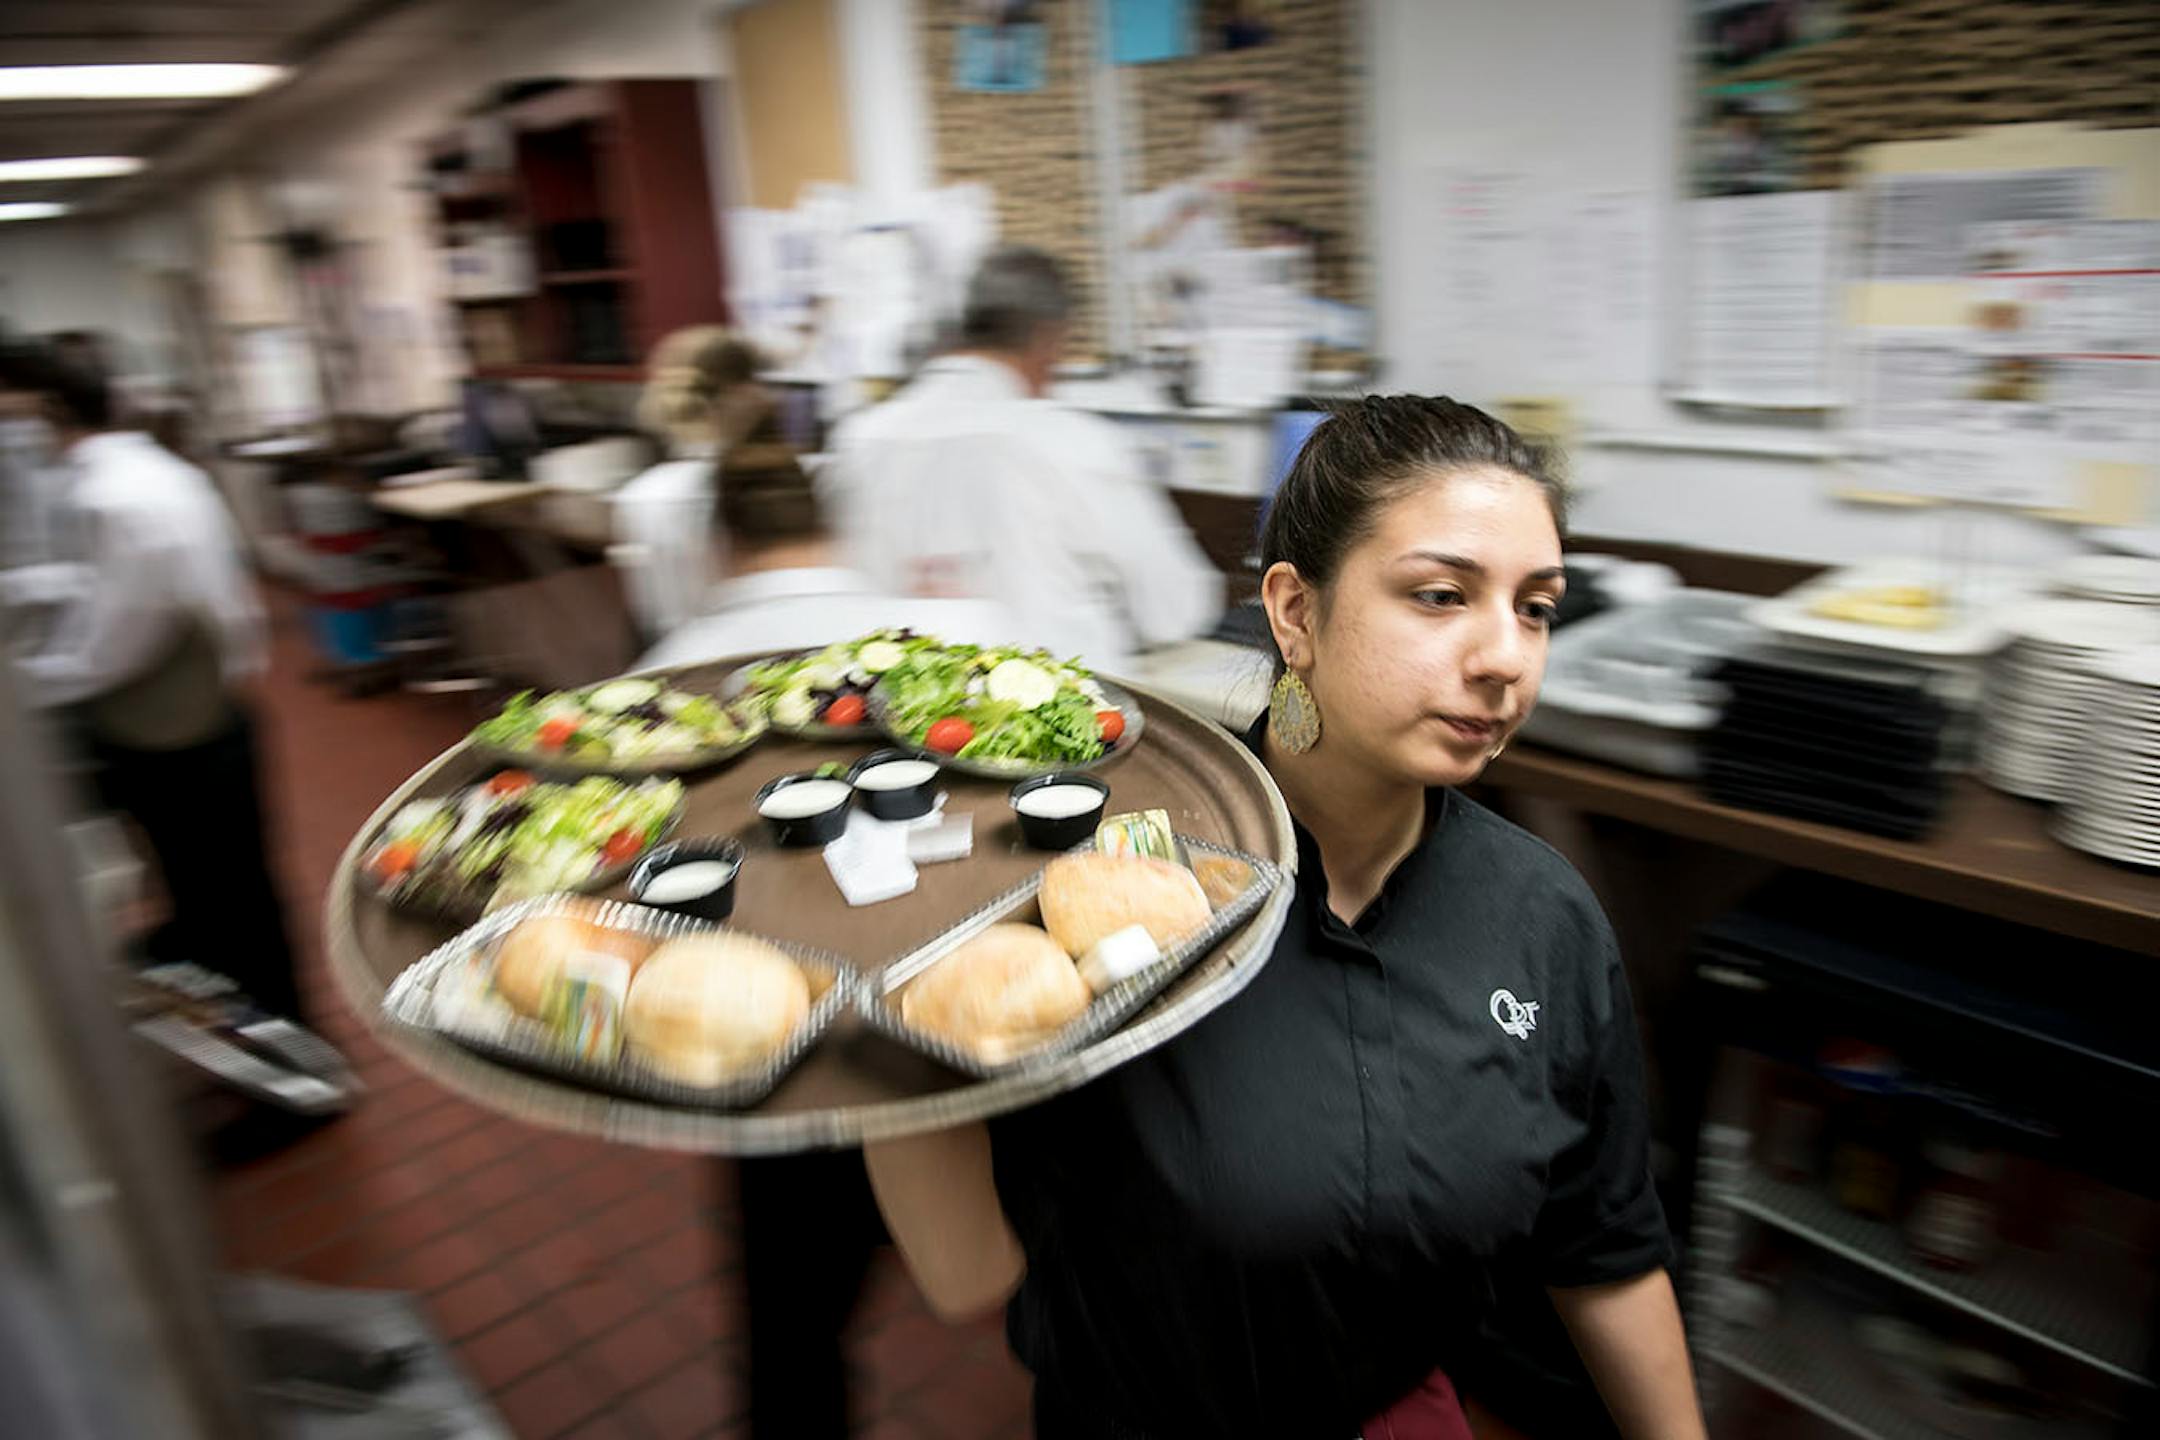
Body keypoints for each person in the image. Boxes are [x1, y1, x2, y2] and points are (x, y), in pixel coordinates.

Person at [864, 396, 1706, 1439]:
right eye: (1442, 595)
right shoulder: (1117, 883)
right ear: (1295, 612)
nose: (1505, 657)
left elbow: (1603, 1248)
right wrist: (885, 999)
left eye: (1534, 607)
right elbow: (965, 1271)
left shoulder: (1546, 919)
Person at [638, 442, 1008, 1440]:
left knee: (794, 1327)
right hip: (953, 1009)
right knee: (1012, 1262)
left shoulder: (664, 678)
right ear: (830, 528)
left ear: (718, 541)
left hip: (772, 1039)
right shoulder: (933, 641)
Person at [0, 345, 306, 1024]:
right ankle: (208, 968)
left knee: (234, 908)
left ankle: (291, 1070)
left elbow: (112, 647)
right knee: (217, 896)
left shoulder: (120, 497)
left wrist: (22, 691)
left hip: (183, 738)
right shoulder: (144, 471)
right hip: (200, 718)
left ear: (45, 409)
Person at [824, 246, 1220, 673]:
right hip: (1052, 724)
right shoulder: (1066, 441)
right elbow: (1175, 609)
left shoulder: (856, 440)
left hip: (895, 717)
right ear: (1050, 339)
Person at [613, 326, 774, 644]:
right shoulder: (756, 487)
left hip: (679, 658)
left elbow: (650, 610)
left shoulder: (640, 494)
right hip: (758, 654)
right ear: (746, 393)